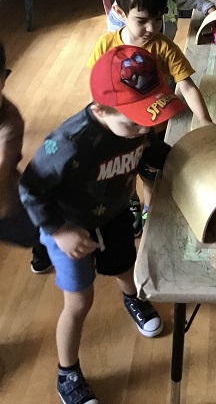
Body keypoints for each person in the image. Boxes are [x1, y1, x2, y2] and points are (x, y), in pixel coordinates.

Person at [20, 45, 179, 404]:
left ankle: (133, 299)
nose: (143, 129)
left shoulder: (138, 124)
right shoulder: (70, 143)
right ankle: (67, 372)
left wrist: (172, 159)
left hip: (115, 211)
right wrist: (59, 231)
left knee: (125, 265)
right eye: (133, 121)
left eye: (148, 119)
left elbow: (149, 148)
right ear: (101, 109)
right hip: (70, 228)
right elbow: (30, 189)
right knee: (79, 301)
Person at [89, 0, 212, 237]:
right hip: (116, 131)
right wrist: (98, 120)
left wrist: (204, 120)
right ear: (120, 13)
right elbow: (96, 89)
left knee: (150, 172)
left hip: (152, 127)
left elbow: (187, 86)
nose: (152, 27)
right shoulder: (105, 47)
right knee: (122, 174)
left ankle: (147, 205)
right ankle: (131, 202)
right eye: (142, 20)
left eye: (158, 19)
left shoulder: (163, 47)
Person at [0, 42, 53, 274]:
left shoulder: (10, 122)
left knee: (38, 228)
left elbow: (2, 168)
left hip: (6, 203)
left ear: (3, 78)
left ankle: (41, 247)